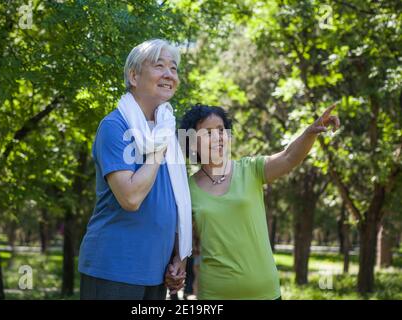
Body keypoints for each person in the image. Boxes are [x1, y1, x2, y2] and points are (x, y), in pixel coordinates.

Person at [179, 103, 340, 299]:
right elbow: (181, 240)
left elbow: (289, 157)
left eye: (221, 130)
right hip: (214, 294)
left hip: (265, 292)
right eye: (208, 133)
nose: (218, 137)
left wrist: (310, 132)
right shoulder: (186, 189)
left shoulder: (250, 169)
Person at [78, 39, 192, 300]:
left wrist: (179, 255)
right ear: (133, 76)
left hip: (156, 271)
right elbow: (130, 198)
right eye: (159, 65)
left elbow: (174, 201)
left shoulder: (165, 128)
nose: (169, 74)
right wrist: (158, 149)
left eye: (173, 68)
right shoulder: (114, 126)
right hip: (114, 269)